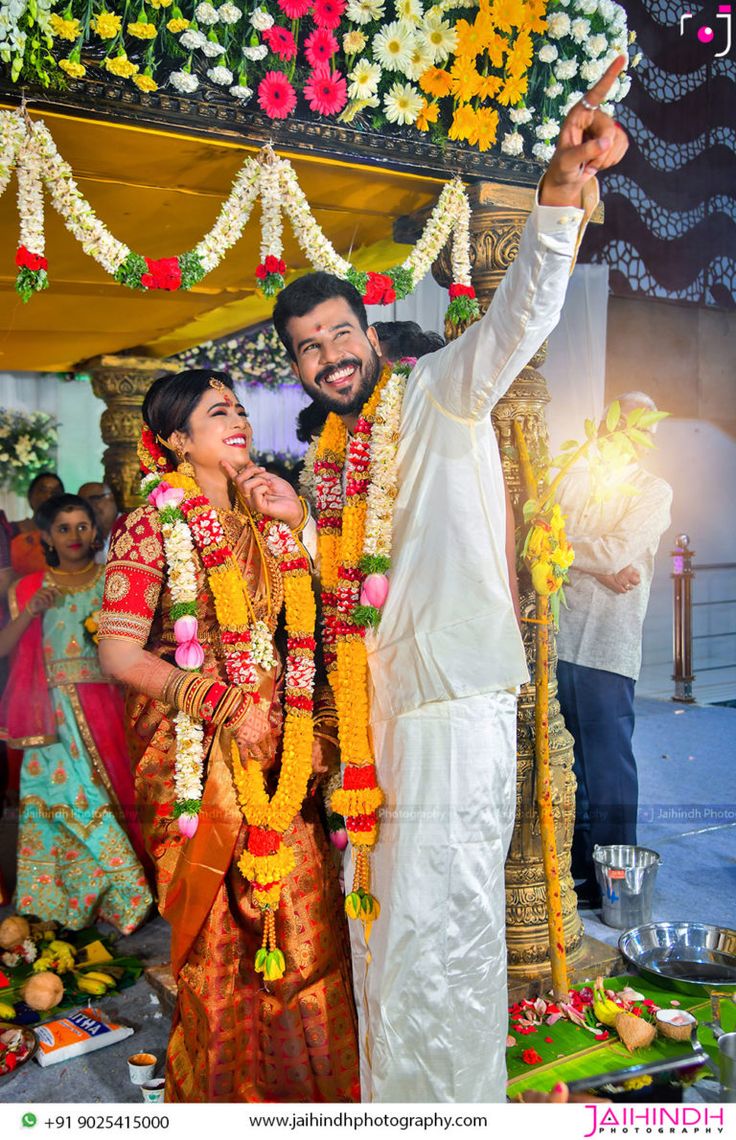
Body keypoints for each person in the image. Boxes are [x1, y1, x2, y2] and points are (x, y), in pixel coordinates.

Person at [268, 60, 630, 1102]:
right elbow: (333, 599)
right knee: (383, 913)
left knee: (448, 915)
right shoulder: (332, 463)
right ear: (298, 369)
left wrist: (561, 189)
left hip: (455, 700)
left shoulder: (438, 395)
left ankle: (452, 1108)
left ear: (369, 334)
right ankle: (395, 1101)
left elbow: (521, 313)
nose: (329, 356)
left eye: (339, 333)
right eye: (307, 350)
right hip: (379, 715)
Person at [97, 369, 359, 1103]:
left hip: (278, 755)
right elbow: (117, 653)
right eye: (218, 412)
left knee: (305, 931)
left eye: (239, 408)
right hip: (194, 760)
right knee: (217, 947)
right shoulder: (151, 524)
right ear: (177, 439)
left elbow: (302, 627)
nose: (237, 419)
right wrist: (221, 703)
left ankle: (313, 1101)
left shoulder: (262, 514)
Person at [0, 493, 152, 931]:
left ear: (96, 529)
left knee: (115, 795)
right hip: (50, 718)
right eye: (63, 528)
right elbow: (3, 649)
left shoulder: (112, 580)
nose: (74, 536)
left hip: (107, 705)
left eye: (82, 526)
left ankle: (129, 893)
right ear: (46, 535)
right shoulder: (29, 590)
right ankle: (61, 901)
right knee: (62, 802)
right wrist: (30, 612)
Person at [555, 392, 672, 907]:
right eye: (616, 420)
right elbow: (546, 530)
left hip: (607, 647)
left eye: (636, 425)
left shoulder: (654, 490)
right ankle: (581, 872)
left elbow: (613, 548)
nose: (623, 430)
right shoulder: (577, 477)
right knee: (570, 764)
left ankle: (618, 883)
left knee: (608, 768)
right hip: (560, 639)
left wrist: (590, 555)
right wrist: (599, 561)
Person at [9, 471, 64, 576]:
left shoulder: (69, 533)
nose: (49, 496)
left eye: (55, 492)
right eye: (43, 490)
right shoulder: (11, 531)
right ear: (30, 496)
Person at [78, 480, 121, 563]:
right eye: (83, 502)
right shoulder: (85, 537)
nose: (89, 506)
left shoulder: (131, 527)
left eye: (94, 499)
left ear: (111, 497)